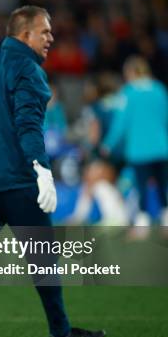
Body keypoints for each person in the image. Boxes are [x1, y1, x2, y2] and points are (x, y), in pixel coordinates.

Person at [0, 5, 105, 337]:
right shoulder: (28, 69)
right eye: (44, 32)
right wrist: (42, 169)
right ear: (24, 34)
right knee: (43, 254)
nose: (51, 38)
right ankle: (61, 333)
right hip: (15, 180)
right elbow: (30, 125)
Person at [102, 56, 168, 227]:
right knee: (163, 186)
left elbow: (120, 124)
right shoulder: (160, 89)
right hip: (162, 147)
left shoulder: (128, 92)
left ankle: (143, 223)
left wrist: (108, 144)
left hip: (139, 149)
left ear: (131, 72)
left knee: (141, 187)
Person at [68, 72, 128, 225]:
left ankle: (83, 216)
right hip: (127, 151)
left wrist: (87, 148)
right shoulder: (122, 101)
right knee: (105, 183)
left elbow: (94, 134)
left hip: (107, 150)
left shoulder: (97, 106)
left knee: (91, 178)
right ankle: (116, 216)